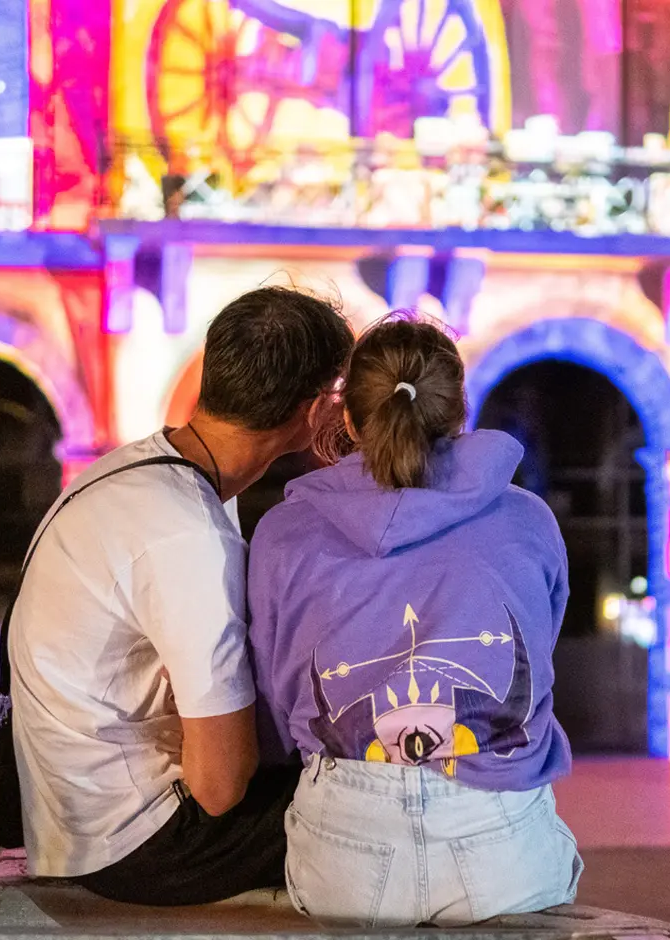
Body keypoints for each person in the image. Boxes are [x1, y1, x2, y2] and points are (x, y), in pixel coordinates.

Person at [9, 286, 354, 905]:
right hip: (133, 843)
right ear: (313, 408)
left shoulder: (135, 471)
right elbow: (219, 787)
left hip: (69, 822)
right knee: (384, 819)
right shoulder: (187, 533)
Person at [247, 313, 582, 927]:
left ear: (346, 417)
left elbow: (276, 690)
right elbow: (541, 644)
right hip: (502, 838)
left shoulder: (282, 534)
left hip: (343, 845)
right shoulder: (528, 520)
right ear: (459, 413)